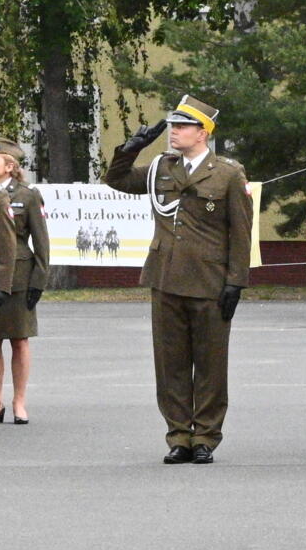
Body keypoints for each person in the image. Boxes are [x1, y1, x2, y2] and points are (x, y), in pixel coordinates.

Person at [105, 95, 254, 463]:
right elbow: (117, 180)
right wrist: (130, 149)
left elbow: (240, 231)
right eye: (173, 125)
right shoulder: (161, 168)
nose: (174, 131)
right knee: (170, 364)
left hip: (209, 280)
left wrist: (236, 281)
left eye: (183, 126)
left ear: (203, 133)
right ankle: (178, 436)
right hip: (166, 277)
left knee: (210, 364)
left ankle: (205, 436)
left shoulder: (227, 173)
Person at [0, 139, 47, 424]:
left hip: (20, 276)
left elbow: (41, 241)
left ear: (10, 166)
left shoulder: (28, 195)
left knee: (19, 340)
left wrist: (38, 281)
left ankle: (19, 401)